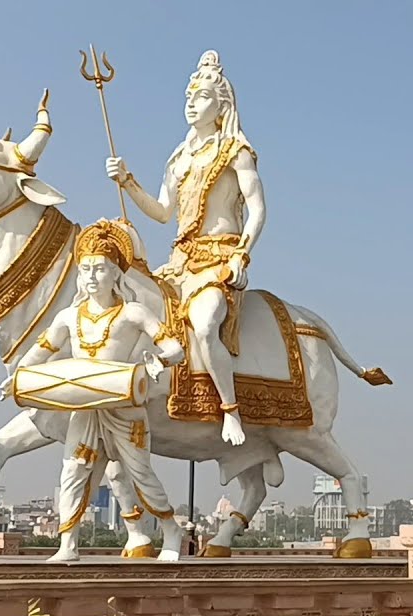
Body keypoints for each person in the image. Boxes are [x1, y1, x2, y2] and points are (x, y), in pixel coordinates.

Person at [106, 49, 265, 447]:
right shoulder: (178, 158)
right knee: (129, 304)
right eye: (189, 97)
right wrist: (128, 182)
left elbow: (259, 208)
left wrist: (242, 253)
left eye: (202, 97)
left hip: (219, 257)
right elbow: (162, 213)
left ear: (221, 105)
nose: (192, 104)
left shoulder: (235, 152)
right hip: (181, 261)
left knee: (205, 320)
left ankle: (230, 409)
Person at [8, 221, 185, 562]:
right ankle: (67, 544)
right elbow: (39, 352)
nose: (91, 276)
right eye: (86, 268)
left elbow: (175, 348)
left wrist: (158, 361)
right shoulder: (68, 317)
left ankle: (171, 530)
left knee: (140, 472)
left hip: (124, 406)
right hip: (85, 407)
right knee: (73, 470)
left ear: (117, 273)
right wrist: (18, 376)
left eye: (100, 268)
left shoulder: (133, 312)